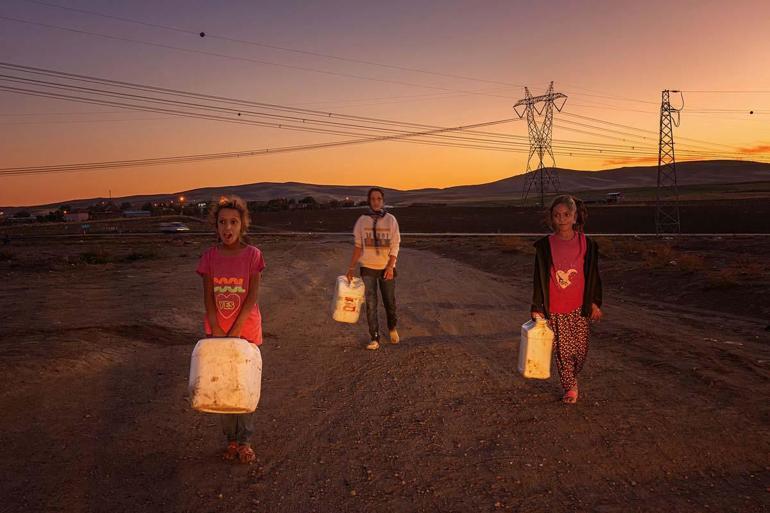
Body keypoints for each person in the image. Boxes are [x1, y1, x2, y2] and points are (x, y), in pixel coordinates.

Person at [195, 195, 265, 463]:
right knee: (223, 390)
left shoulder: (253, 256)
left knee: (243, 387)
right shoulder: (209, 257)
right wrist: (216, 330)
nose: (228, 228)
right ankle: (231, 441)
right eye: (222, 222)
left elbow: (251, 298)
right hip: (218, 334)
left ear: (243, 224)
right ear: (216, 226)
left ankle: (245, 441)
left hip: (245, 333)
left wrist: (235, 330)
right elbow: (208, 297)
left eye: (233, 222)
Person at [531, 195, 603, 404]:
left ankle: (573, 374)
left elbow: (594, 276)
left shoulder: (587, 244)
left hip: (579, 306)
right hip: (555, 307)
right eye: (556, 215)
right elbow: (539, 278)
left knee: (580, 351)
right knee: (563, 352)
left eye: (566, 214)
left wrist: (595, 302)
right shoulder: (545, 246)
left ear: (575, 216)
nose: (561, 219)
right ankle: (570, 386)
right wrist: (537, 307)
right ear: (551, 219)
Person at [345, 187, 401, 350]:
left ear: (383, 201)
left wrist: (390, 266)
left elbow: (395, 245)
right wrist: (351, 268)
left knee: (389, 302)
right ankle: (374, 337)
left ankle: (392, 328)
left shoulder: (391, 220)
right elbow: (358, 246)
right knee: (370, 303)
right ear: (369, 201)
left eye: (379, 199)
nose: (376, 202)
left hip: (386, 268)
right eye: (373, 199)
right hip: (368, 268)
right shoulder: (362, 221)